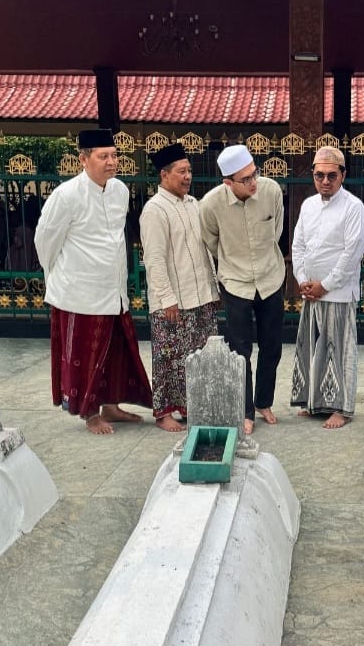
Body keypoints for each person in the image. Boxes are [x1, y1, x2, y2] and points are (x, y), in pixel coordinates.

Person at [34, 127, 152, 435]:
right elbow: (45, 241)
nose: (111, 162)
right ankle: (89, 414)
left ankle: (111, 407)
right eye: (103, 157)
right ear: (83, 159)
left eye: (114, 156)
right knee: (84, 357)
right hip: (79, 291)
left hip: (112, 288)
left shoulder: (120, 191)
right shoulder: (67, 195)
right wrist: (58, 277)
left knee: (116, 351)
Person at [199, 144, 285, 435]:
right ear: (227, 182)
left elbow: (277, 232)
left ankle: (263, 401)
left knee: (272, 346)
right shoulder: (211, 205)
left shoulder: (271, 191)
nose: (253, 182)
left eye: (254, 174)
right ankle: (244, 410)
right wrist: (232, 262)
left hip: (270, 278)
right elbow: (211, 241)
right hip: (235, 283)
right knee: (240, 350)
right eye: (244, 179)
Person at [140, 142, 220, 432]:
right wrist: (166, 298)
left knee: (199, 356)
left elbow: (205, 249)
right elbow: (154, 259)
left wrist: (214, 289)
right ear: (164, 175)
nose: (188, 177)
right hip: (173, 301)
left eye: (189, 171)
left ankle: (191, 406)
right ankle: (163, 413)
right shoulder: (155, 210)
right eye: (182, 171)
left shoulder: (193, 204)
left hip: (201, 297)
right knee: (169, 359)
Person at [290, 146, 364, 429]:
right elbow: (298, 245)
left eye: (331, 175)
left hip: (336, 293)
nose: (325, 181)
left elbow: (351, 255)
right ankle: (315, 403)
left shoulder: (353, 208)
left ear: (343, 175)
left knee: (339, 351)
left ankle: (342, 409)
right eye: (319, 175)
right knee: (312, 350)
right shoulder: (308, 205)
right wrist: (302, 280)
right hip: (310, 292)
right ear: (313, 175)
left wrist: (325, 285)